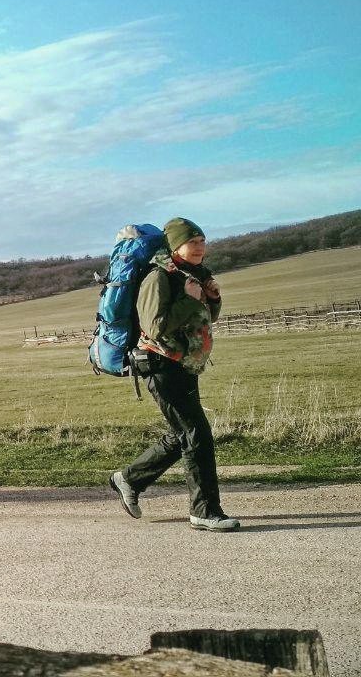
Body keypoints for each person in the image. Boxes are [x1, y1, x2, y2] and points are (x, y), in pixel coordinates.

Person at [109, 217, 239, 532]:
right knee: (197, 434)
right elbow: (153, 327)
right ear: (175, 245)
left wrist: (212, 299)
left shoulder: (192, 275)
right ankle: (204, 511)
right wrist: (188, 299)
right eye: (192, 242)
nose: (199, 247)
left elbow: (202, 319)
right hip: (157, 362)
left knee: (183, 433)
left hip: (182, 363)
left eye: (203, 241)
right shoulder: (158, 277)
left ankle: (128, 478)